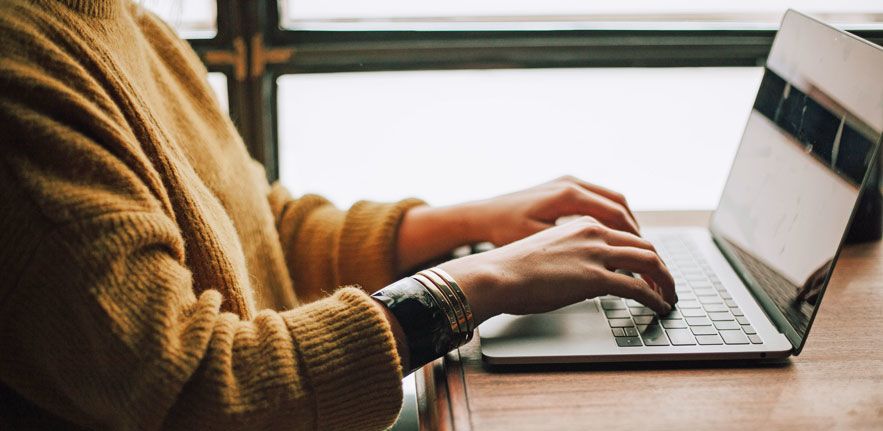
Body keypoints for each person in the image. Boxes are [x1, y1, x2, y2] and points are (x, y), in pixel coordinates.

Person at [0, 1, 676, 429]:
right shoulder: (21, 73)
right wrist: (478, 282)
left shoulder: (122, 21)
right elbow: (198, 393)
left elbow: (257, 230)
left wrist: (469, 221)